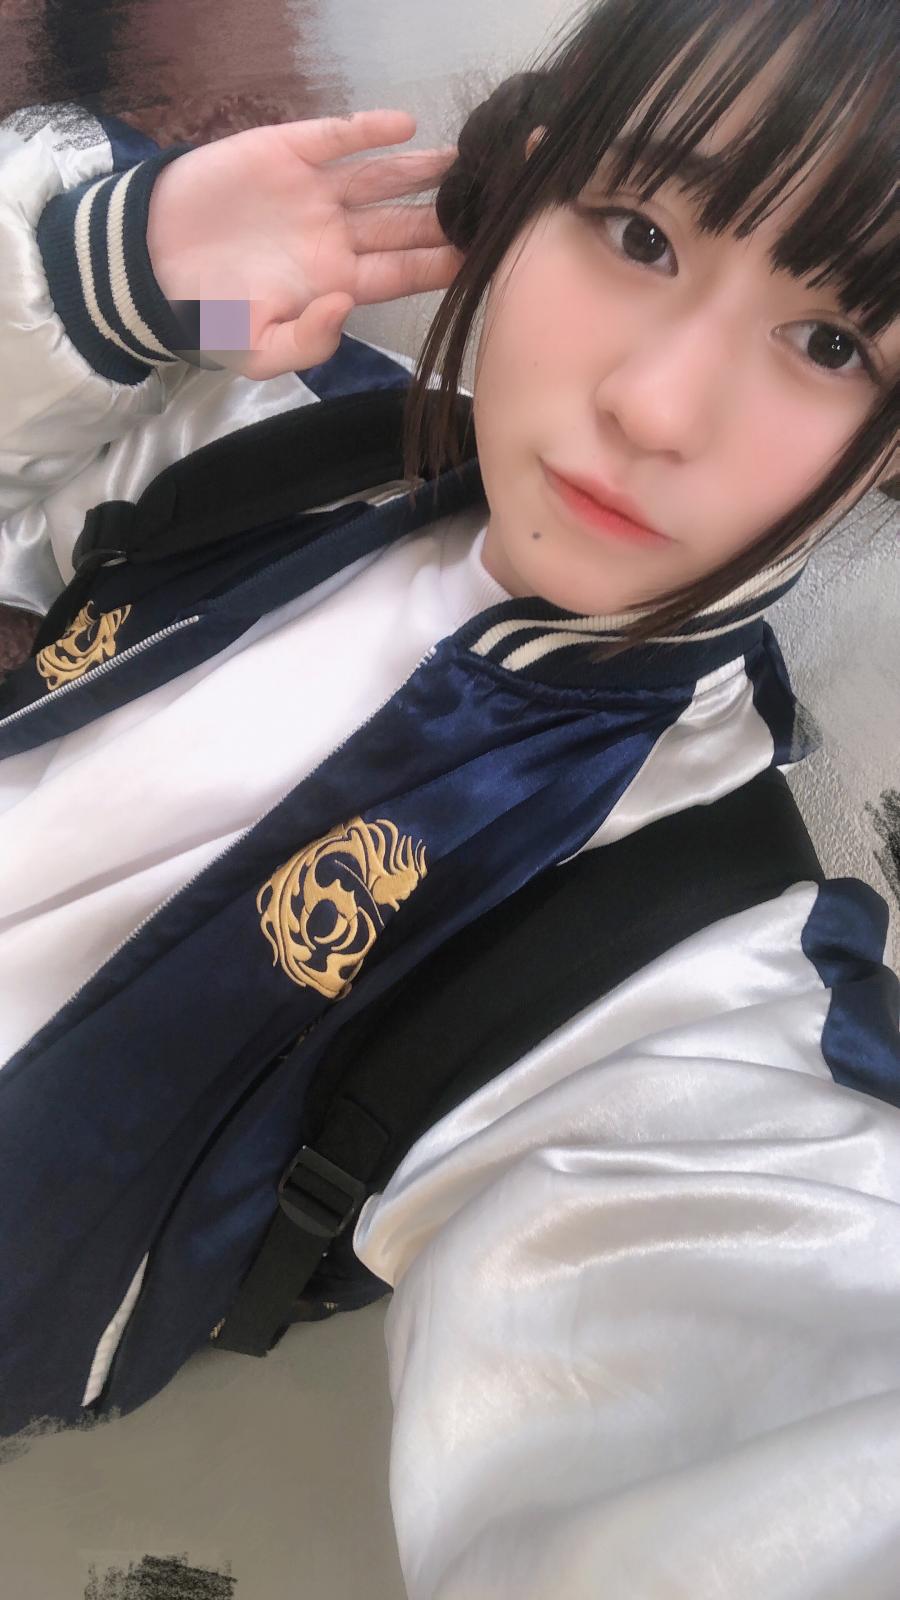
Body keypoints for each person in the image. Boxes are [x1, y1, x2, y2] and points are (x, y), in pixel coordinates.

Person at [0, 0, 899, 1593]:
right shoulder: (295, 431)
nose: (656, 407)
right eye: (638, 232)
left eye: (832, 342)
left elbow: (763, 1346)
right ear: (529, 186)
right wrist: (108, 279)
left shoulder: (679, 935)